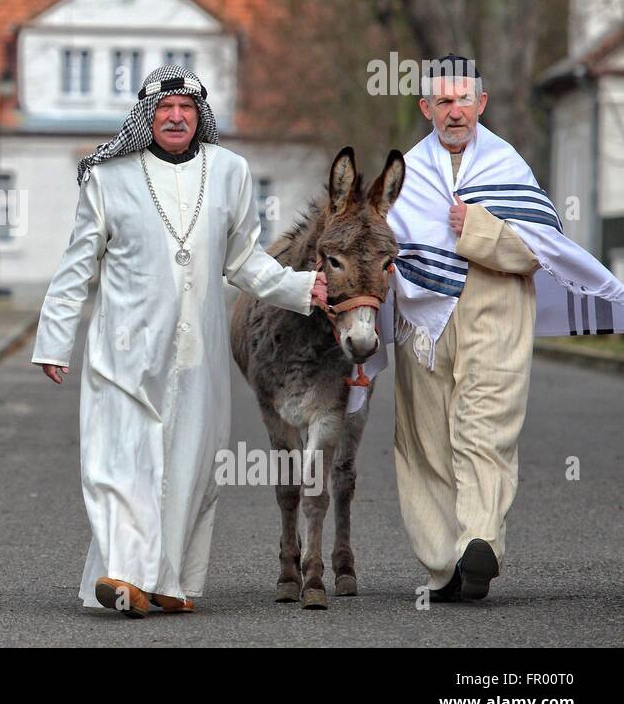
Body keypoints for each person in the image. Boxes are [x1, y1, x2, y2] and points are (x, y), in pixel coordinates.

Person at [31, 64, 327, 618]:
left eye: (186, 108)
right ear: (146, 116)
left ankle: (169, 579)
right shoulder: (109, 177)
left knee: (189, 463)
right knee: (121, 463)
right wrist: (55, 339)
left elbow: (244, 262)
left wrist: (306, 289)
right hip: (122, 351)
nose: (175, 116)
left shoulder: (230, 172)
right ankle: (124, 575)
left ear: (199, 116)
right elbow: (77, 267)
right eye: (164, 108)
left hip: (199, 354)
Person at [379, 53, 624, 602]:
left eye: (464, 99)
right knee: (425, 442)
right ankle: (444, 565)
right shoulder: (406, 174)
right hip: (423, 324)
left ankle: (479, 541)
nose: (455, 111)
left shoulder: (507, 166)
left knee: (486, 427)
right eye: (443, 101)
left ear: (482, 103)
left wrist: (479, 229)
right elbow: (382, 248)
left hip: (496, 309)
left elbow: (537, 251)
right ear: (426, 108)